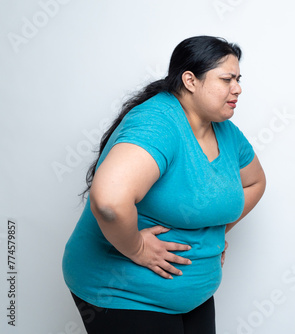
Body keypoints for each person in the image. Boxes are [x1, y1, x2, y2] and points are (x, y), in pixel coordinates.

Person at [62, 35, 266, 334]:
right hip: (124, 295)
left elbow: (255, 183)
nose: (237, 88)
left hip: (193, 295)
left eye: (238, 79)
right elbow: (109, 202)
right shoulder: (157, 125)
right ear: (190, 80)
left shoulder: (225, 131)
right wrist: (137, 248)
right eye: (226, 79)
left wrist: (216, 233)